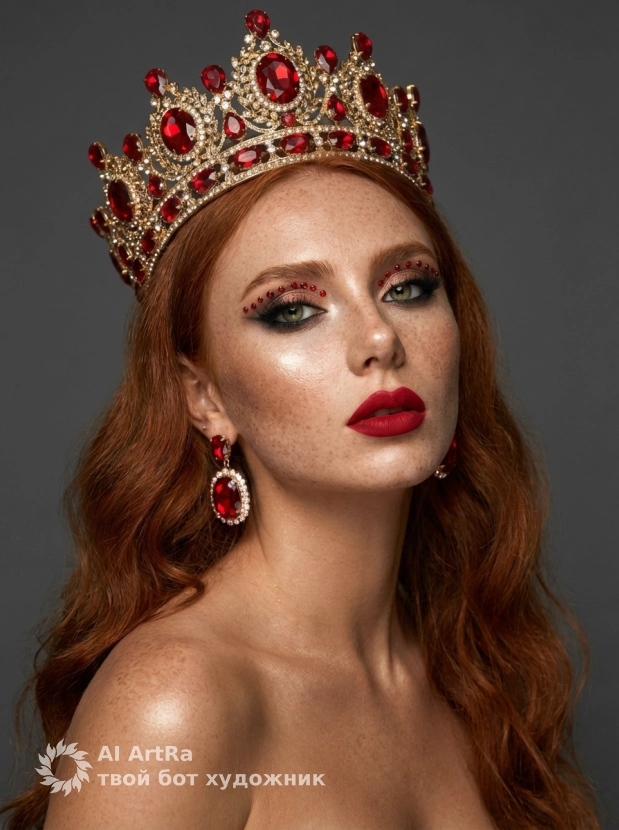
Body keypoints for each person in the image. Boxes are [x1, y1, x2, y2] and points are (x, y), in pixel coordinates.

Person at [1, 9, 599, 830]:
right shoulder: (175, 701)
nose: (380, 338)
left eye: (407, 287)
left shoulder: (470, 668)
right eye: (291, 310)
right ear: (204, 398)